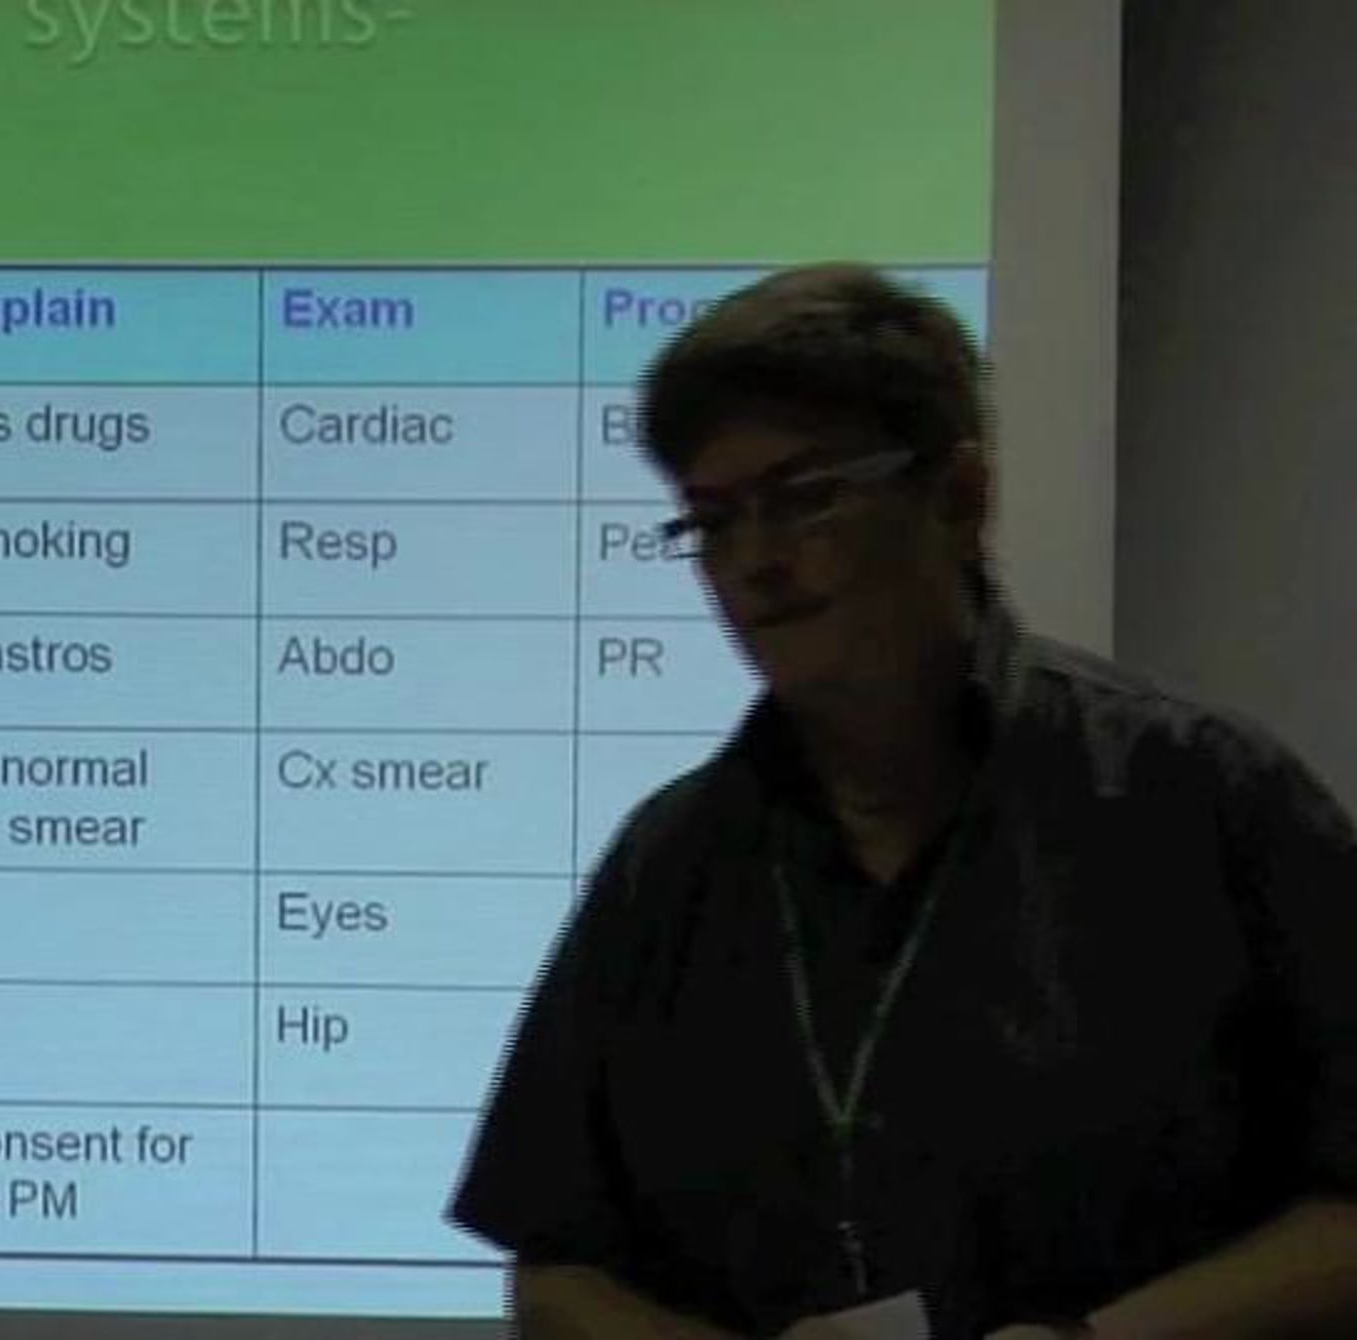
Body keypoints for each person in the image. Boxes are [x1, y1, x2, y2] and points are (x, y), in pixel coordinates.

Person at [448, 263, 1357, 1338]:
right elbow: (555, 1271)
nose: (754, 564)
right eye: (713, 521)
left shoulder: (1203, 800)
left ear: (960, 497)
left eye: (804, 498)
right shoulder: (671, 862)